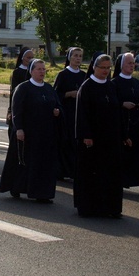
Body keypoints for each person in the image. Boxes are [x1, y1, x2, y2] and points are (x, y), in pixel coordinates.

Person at [0, 59, 61, 202]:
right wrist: (19, 129)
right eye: (38, 69)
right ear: (31, 71)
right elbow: (17, 110)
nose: (42, 72)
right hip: (28, 133)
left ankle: (42, 193)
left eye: (43, 69)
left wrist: (58, 111)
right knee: (25, 163)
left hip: (45, 134)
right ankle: (17, 187)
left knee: (43, 165)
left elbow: (57, 104)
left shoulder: (48, 88)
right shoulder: (23, 88)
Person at [74, 53, 124, 218]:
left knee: (111, 173)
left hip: (111, 139)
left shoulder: (111, 86)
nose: (105, 71)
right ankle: (89, 207)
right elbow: (82, 114)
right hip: (93, 139)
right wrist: (86, 135)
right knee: (92, 173)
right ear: (94, 67)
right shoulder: (87, 87)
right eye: (102, 68)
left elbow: (117, 112)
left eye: (108, 68)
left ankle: (110, 207)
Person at [111, 53, 139, 189]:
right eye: (129, 63)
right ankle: (121, 182)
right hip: (122, 126)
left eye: (133, 63)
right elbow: (110, 104)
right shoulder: (114, 83)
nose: (132, 66)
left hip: (137, 125)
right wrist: (122, 104)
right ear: (121, 65)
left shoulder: (137, 83)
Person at [53, 47, 86, 180]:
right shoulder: (63, 74)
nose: (78, 58)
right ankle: (62, 171)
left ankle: (75, 170)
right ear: (69, 58)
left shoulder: (84, 75)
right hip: (66, 113)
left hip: (79, 114)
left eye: (80, 56)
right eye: (75, 56)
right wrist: (68, 94)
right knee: (65, 143)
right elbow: (55, 94)